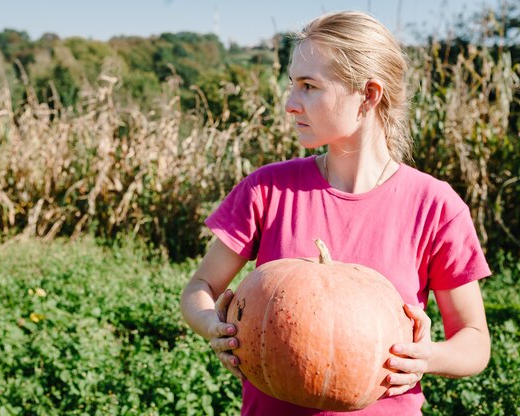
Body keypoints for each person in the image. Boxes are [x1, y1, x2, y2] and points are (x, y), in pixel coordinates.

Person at [180, 10, 491, 416]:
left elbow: (475, 341)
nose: (291, 104)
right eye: (292, 84)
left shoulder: (435, 206)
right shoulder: (266, 190)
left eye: (309, 86)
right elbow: (199, 285)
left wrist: (427, 357)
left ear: (369, 95)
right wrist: (213, 326)